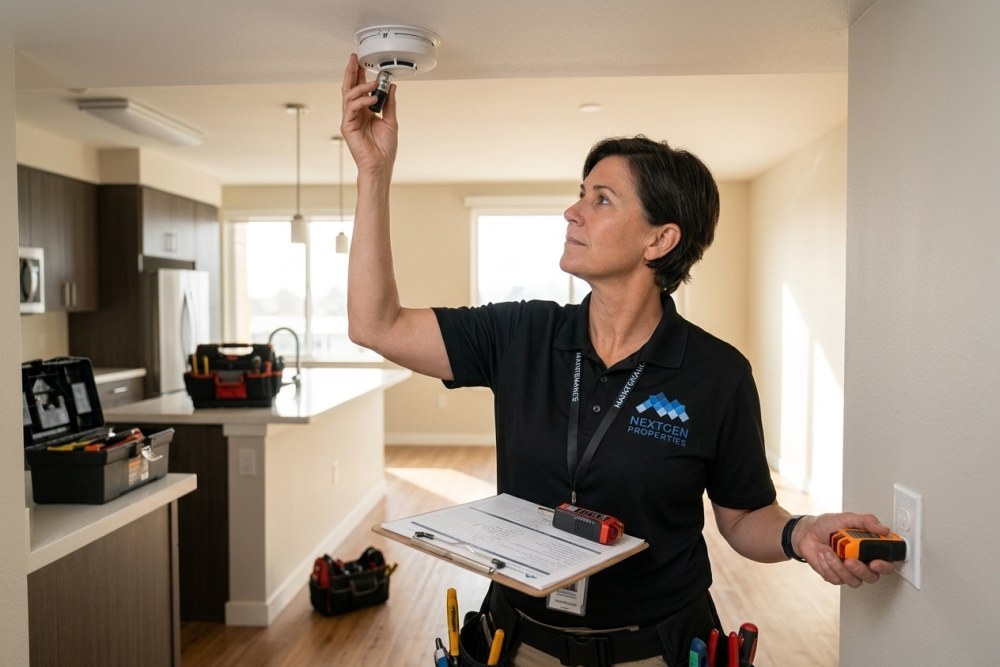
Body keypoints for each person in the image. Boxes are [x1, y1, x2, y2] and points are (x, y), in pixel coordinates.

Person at [340, 53, 896, 667]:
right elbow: (376, 324)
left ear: (660, 240)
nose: (572, 211)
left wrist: (798, 533)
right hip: (520, 638)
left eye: (601, 199)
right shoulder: (521, 334)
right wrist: (373, 170)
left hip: (655, 647)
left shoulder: (717, 373)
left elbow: (742, 517)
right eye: (580, 194)